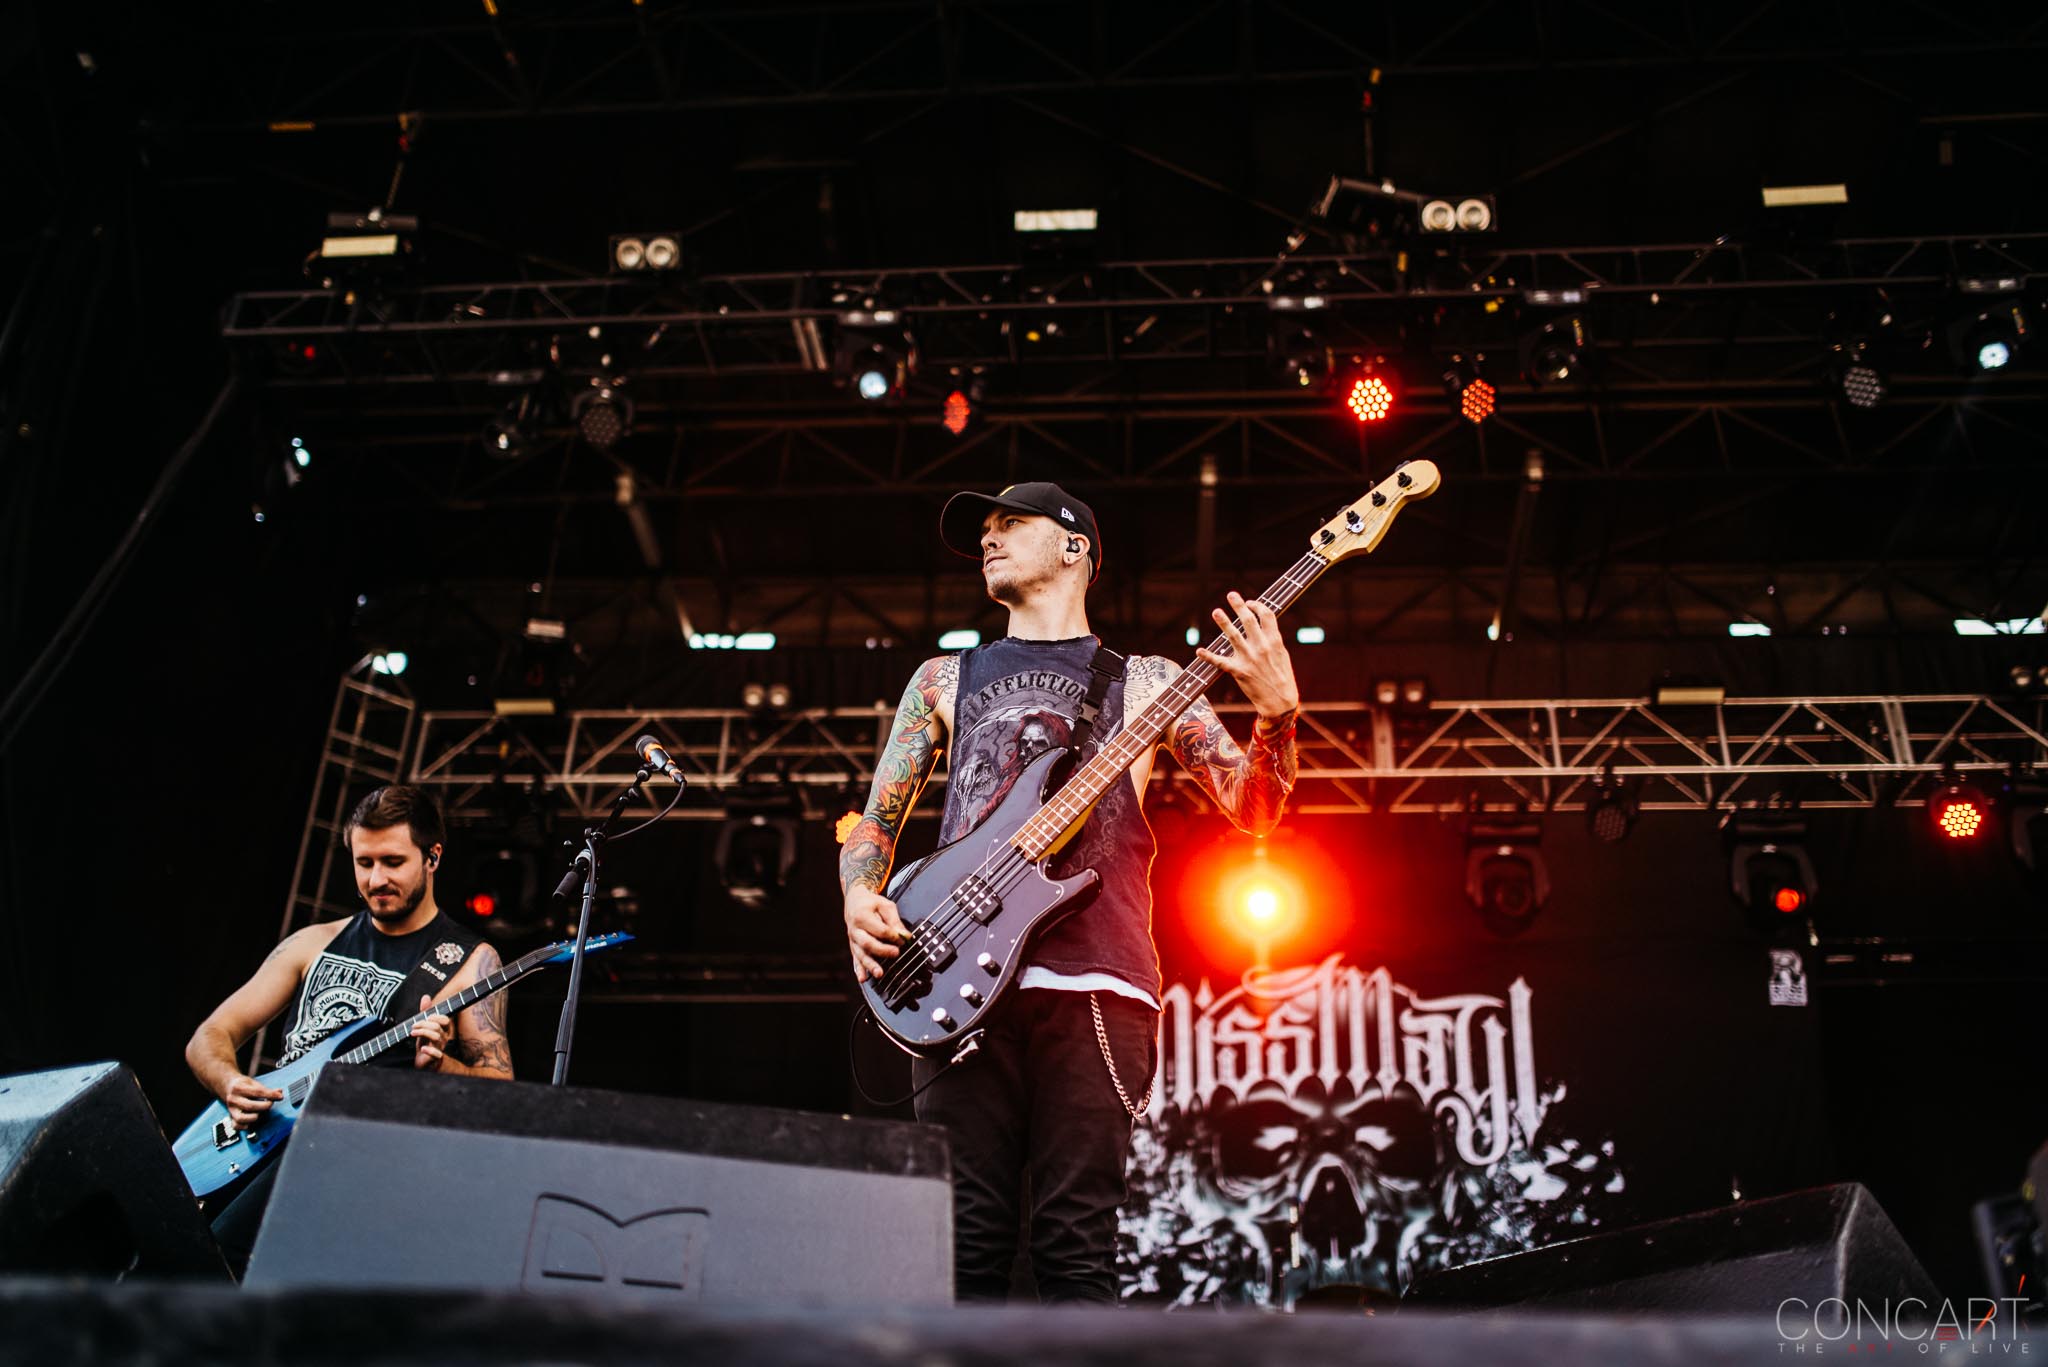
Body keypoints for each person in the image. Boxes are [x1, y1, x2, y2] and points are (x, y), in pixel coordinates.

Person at [840, 481, 1300, 1303]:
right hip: (949, 972)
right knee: (961, 1252)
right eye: (985, 529)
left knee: (1076, 1248)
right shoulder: (943, 678)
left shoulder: (1150, 679)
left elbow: (1255, 810)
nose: (989, 539)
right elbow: (877, 819)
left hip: (1097, 981)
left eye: (1010, 524)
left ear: (1075, 545)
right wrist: (857, 895)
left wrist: (1277, 719)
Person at [185, 784, 513, 1272]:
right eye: (364, 863)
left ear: (433, 857)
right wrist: (230, 1083)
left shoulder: (470, 962)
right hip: (261, 1145)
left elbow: (501, 1095)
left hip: (361, 1163)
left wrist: (442, 1067)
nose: (376, 879)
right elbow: (210, 1036)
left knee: (221, 1259)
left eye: (393, 862)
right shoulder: (312, 943)